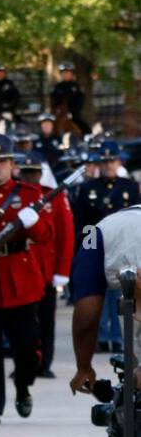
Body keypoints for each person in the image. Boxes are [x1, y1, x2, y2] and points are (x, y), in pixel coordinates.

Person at [0, 134, 52, 423]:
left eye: (2, 162)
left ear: (12, 164)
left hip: (22, 279)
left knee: (27, 347)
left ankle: (23, 386)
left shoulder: (29, 194)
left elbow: (46, 236)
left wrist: (35, 222)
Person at [72, 140, 139, 354]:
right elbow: (82, 222)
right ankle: (101, 336)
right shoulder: (87, 188)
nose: (109, 164)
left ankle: (117, 337)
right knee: (96, 294)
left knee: (120, 295)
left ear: (119, 161)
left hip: (123, 245)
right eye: (105, 160)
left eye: (112, 160)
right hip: (98, 242)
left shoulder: (129, 186)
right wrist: (85, 249)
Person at [17, 154, 73, 378]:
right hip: (20, 271)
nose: (30, 177)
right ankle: (26, 364)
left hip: (45, 271)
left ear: (41, 173)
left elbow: (66, 236)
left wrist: (62, 271)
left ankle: (45, 363)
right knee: (22, 324)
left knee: (46, 322)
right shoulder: (15, 195)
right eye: (26, 172)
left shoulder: (54, 196)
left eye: (34, 172)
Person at [50, 62, 88, 138]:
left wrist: (72, 111)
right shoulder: (57, 87)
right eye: (64, 73)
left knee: (84, 127)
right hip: (59, 113)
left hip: (73, 114)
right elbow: (54, 100)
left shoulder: (76, 87)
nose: (66, 74)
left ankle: (86, 137)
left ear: (71, 74)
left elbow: (80, 101)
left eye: (68, 72)